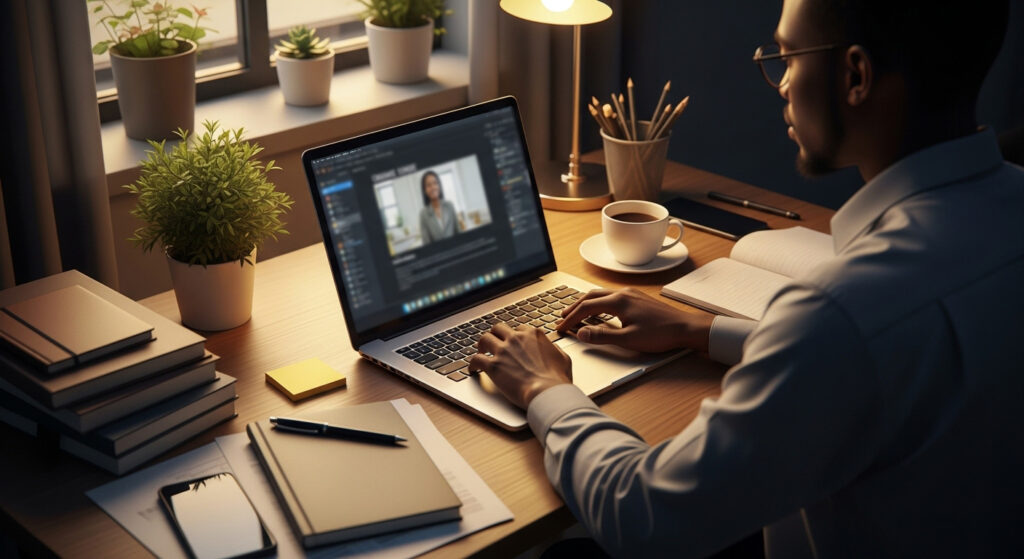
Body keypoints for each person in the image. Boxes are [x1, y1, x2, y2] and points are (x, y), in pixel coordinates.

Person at [469, 0, 1023, 556]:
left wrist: (547, 389)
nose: (780, 84)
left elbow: (644, 518)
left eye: (788, 57)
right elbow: (897, 355)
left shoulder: (841, 314)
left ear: (855, 76)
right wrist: (700, 330)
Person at [418, 170, 459, 243]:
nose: (433, 187)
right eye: (428, 185)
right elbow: (426, 244)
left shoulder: (450, 205)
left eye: (435, 183)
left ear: (439, 185)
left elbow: (458, 232)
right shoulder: (423, 214)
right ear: (425, 190)